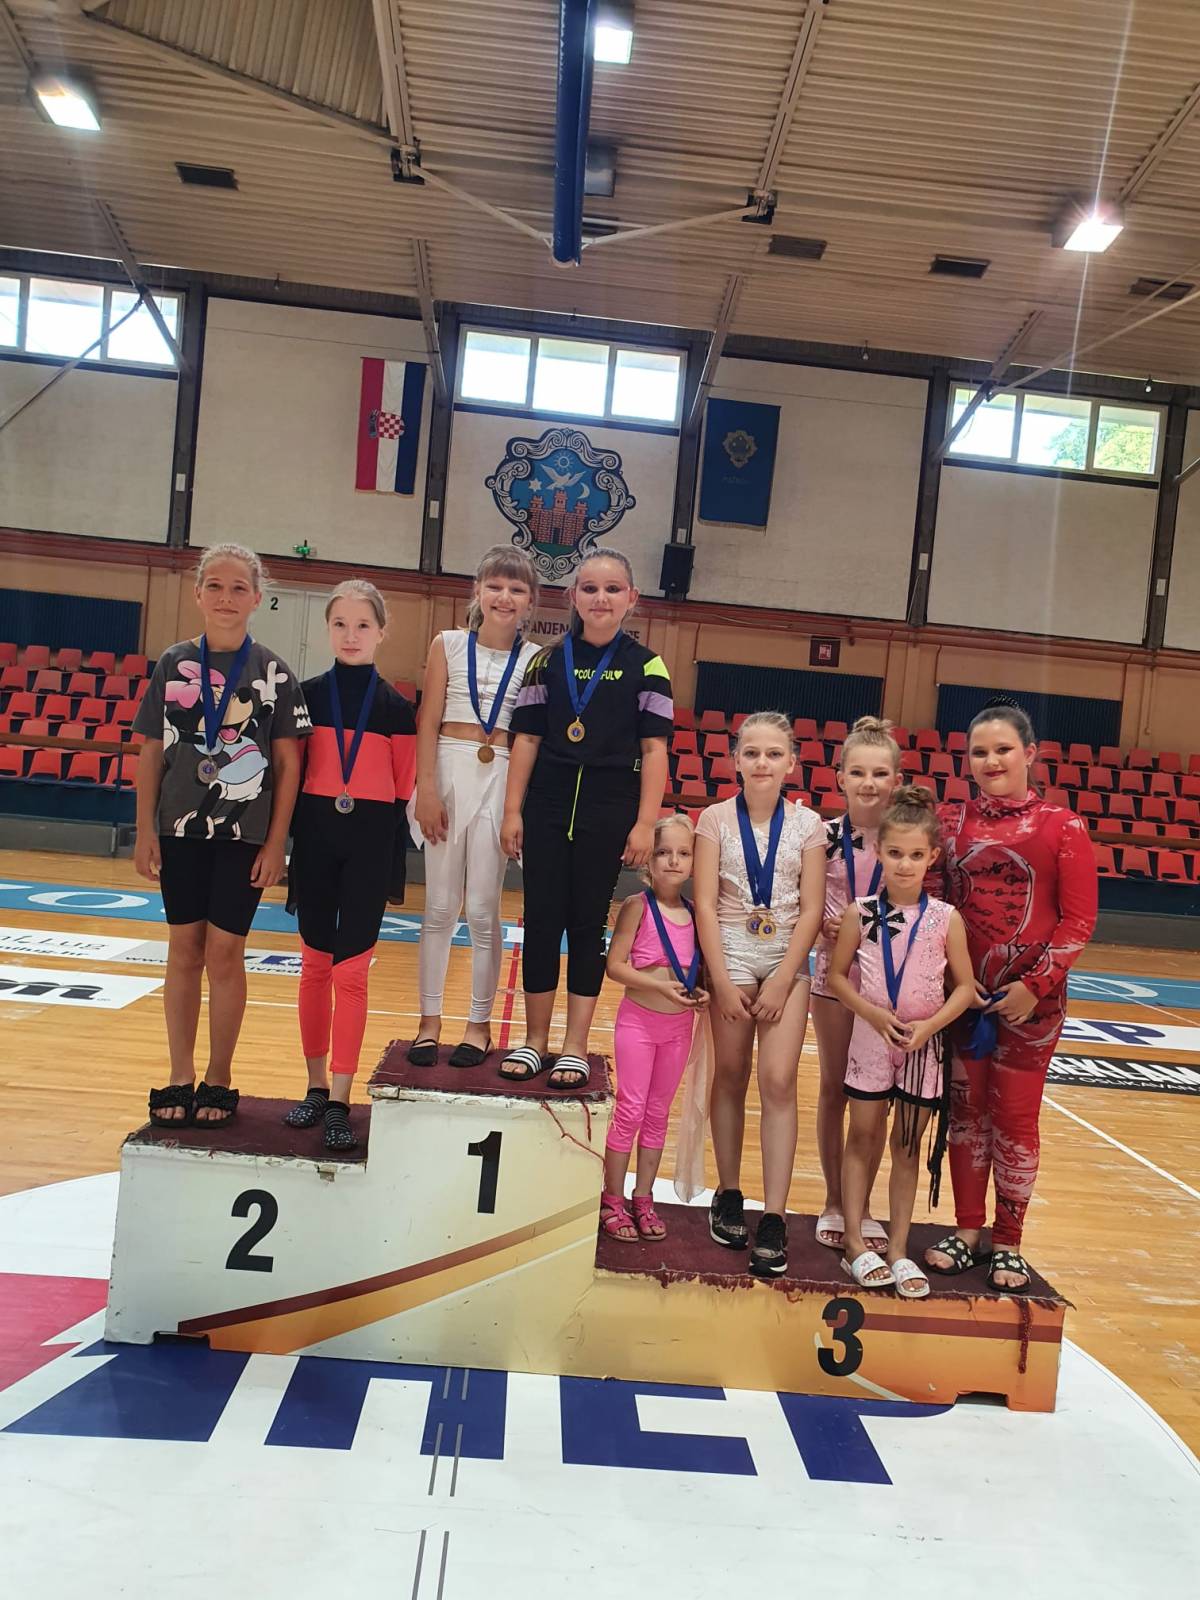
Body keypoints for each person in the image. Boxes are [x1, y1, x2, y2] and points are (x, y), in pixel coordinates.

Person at [924, 696, 1098, 1292]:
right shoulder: (949, 824)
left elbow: (1078, 921)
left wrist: (1034, 986)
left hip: (1033, 1008)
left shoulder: (1063, 827)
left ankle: (1009, 1241)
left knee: (1016, 1120)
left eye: (1003, 749)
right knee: (966, 1116)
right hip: (964, 1000)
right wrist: (954, 980)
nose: (991, 760)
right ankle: (967, 1230)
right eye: (980, 752)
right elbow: (934, 904)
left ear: (1030, 753)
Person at [134, 543, 310, 1127]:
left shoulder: (274, 672)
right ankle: (179, 1074)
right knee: (184, 949)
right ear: (198, 594)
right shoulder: (172, 663)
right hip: (179, 829)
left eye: (239, 588)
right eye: (215, 585)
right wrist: (145, 830)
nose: (226, 597)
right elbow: (150, 752)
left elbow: (288, 765)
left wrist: (277, 841)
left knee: (226, 952)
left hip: (245, 834)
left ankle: (219, 1075)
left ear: (257, 598)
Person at [499, 548, 672, 1089]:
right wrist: (512, 809)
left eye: (612, 589)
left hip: (609, 808)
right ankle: (535, 1041)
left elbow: (656, 750)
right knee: (541, 921)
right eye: (590, 588)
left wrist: (645, 823)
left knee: (588, 925)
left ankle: (575, 1045)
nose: (601, 598)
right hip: (547, 805)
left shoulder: (649, 667)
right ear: (573, 596)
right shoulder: (545, 662)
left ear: (631, 598)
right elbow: (526, 739)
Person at [829, 785, 976, 1297]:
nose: (905, 864)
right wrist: (871, 1013)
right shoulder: (860, 912)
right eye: (895, 853)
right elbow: (836, 977)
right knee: (862, 1138)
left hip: (922, 1048)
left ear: (932, 856)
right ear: (878, 852)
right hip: (871, 1040)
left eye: (915, 855)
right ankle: (854, 1241)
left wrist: (931, 1027)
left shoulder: (946, 918)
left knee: (907, 1147)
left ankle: (896, 1248)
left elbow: (965, 988)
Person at [284, 580, 416, 1150]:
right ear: (328, 629)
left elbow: (403, 787)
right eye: (340, 624)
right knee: (314, 966)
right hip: (315, 841)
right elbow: (292, 774)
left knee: (351, 974)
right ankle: (315, 1086)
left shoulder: (397, 710)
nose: (351, 635)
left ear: (382, 632)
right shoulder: (305, 696)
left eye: (363, 625)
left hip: (369, 846)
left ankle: (340, 1097)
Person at [693, 711, 826, 1277]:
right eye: (751, 753)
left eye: (774, 753)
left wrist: (782, 976)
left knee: (778, 1080)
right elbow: (704, 903)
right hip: (730, 951)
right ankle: (728, 1192)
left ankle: (774, 1214)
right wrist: (721, 979)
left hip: (785, 958)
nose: (762, 762)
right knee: (730, 1073)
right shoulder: (713, 819)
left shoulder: (810, 825)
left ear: (791, 762)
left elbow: (813, 908)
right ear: (735, 761)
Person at [408, 545, 539, 1067]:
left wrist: (514, 809)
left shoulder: (535, 659)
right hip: (447, 766)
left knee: (484, 909)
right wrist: (427, 789)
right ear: (478, 591)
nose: (504, 597)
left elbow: (529, 736)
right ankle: (428, 1020)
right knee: (440, 907)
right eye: (495, 586)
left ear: (530, 601)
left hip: (502, 773)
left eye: (517, 589)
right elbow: (427, 720)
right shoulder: (447, 643)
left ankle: (478, 1025)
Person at [810, 715, 902, 1253]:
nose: (869, 783)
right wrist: (823, 926)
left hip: (889, 984)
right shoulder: (821, 837)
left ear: (896, 779)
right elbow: (803, 903)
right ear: (840, 776)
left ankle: (862, 1204)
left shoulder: (905, 838)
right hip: (835, 977)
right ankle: (833, 1199)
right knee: (834, 1089)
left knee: (875, 1098)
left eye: (880, 773)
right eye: (859, 772)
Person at [601, 814, 710, 1240]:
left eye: (683, 853)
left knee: (658, 1113)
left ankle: (642, 1198)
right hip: (638, 1024)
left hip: (678, 1028)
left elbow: (696, 972)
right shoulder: (637, 907)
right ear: (649, 860)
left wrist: (700, 993)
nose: (673, 861)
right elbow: (615, 966)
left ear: (694, 861)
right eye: (663, 852)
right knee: (630, 1109)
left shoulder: (697, 913)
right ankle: (612, 1198)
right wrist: (660, 987)